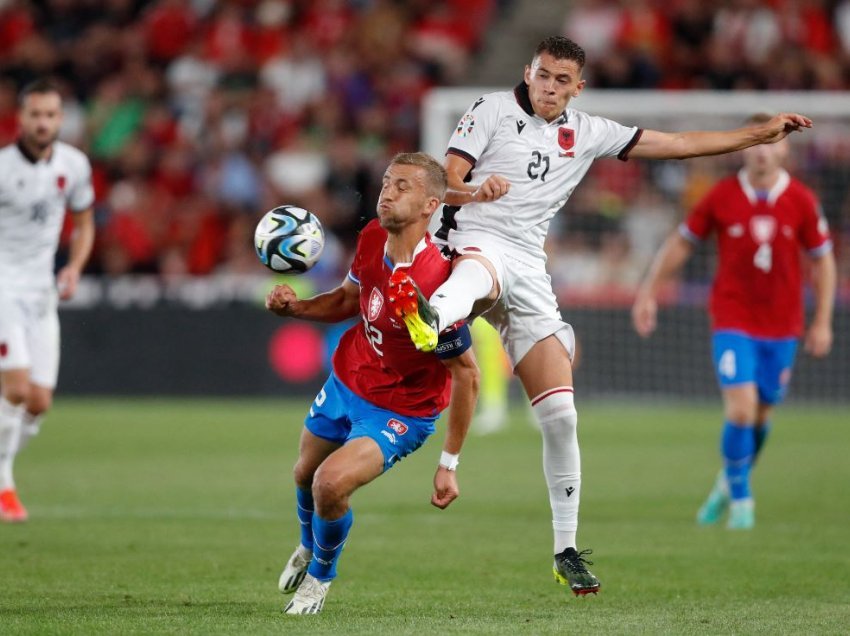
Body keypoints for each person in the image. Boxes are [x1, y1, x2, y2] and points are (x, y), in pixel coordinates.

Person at [388, 35, 813, 595]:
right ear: (529, 71)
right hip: (473, 240)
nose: (549, 87)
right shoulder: (490, 110)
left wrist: (756, 134)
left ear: (577, 87)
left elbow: (681, 143)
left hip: (531, 269)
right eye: (543, 76)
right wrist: (475, 191)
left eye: (562, 81)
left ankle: (566, 550)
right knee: (477, 273)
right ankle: (432, 316)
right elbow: (445, 183)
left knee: (562, 418)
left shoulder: (588, 133)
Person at [266, 152, 479, 615]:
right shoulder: (370, 236)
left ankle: (321, 575)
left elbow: (467, 374)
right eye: (386, 182)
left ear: (430, 205)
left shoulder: (438, 283)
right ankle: (307, 546)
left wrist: (450, 462)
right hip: (348, 378)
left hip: (401, 410)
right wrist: (296, 308)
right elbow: (348, 299)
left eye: (403, 186)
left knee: (329, 484)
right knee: (304, 474)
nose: (387, 192)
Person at [631, 113, 835, 530]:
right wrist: (649, 291)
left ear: (784, 149)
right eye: (756, 142)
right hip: (732, 317)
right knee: (741, 411)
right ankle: (742, 500)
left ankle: (728, 481)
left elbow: (823, 261)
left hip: (783, 324)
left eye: (772, 143)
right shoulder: (721, 197)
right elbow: (680, 245)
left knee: (761, 417)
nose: (762, 151)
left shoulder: (802, 201)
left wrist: (824, 320)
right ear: (745, 146)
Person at [0, 79, 95, 522]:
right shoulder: (2, 168)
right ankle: (4, 485)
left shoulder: (74, 165)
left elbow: (84, 223)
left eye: (51, 115)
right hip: (3, 286)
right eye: (35, 114)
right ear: (21, 118)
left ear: (61, 118)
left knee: (38, 402)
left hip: (41, 293)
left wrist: (74, 266)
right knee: (15, 389)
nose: (43, 123)